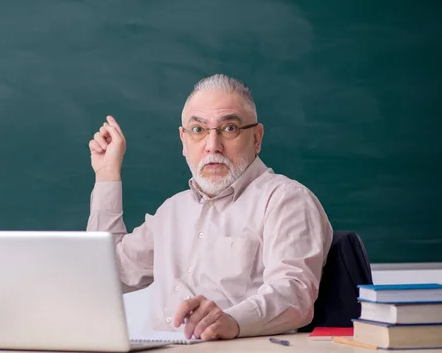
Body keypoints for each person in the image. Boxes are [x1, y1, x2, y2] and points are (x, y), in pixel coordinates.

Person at [87, 74, 333, 340]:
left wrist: (231, 321)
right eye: (198, 130)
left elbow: (294, 295)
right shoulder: (172, 211)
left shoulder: (285, 200)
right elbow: (106, 276)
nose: (212, 145)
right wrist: (106, 175)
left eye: (229, 128)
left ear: (257, 138)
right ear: (183, 140)